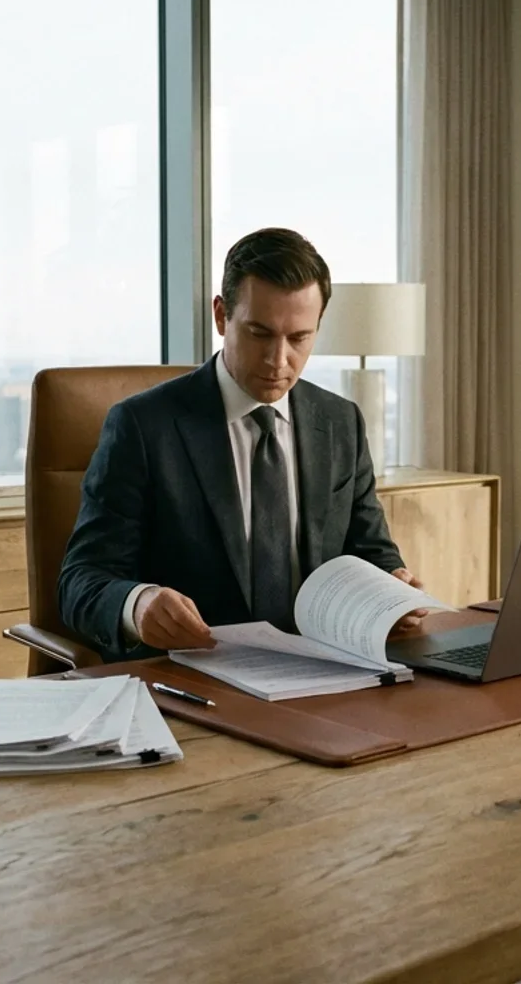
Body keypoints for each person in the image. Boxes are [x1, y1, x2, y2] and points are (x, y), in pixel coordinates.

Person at [59, 227, 427, 662]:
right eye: (259, 333)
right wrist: (136, 604)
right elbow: (81, 581)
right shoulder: (142, 426)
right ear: (221, 316)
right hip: (195, 674)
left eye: (298, 338)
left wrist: (393, 592)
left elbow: (371, 552)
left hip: (321, 671)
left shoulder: (340, 422)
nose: (278, 360)